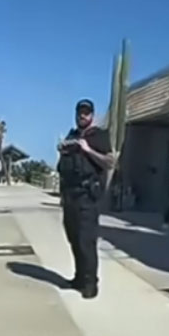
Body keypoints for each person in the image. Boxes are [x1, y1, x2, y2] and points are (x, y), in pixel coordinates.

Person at [57, 99, 117, 299]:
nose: (82, 116)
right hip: (69, 196)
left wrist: (88, 150)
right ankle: (79, 277)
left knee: (86, 241)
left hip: (87, 197)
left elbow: (110, 162)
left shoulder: (99, 136)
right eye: (80, 113)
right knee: (73, 239)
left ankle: (91, 283)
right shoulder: (71, 136)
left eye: (86, 113)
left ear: (92, 115)